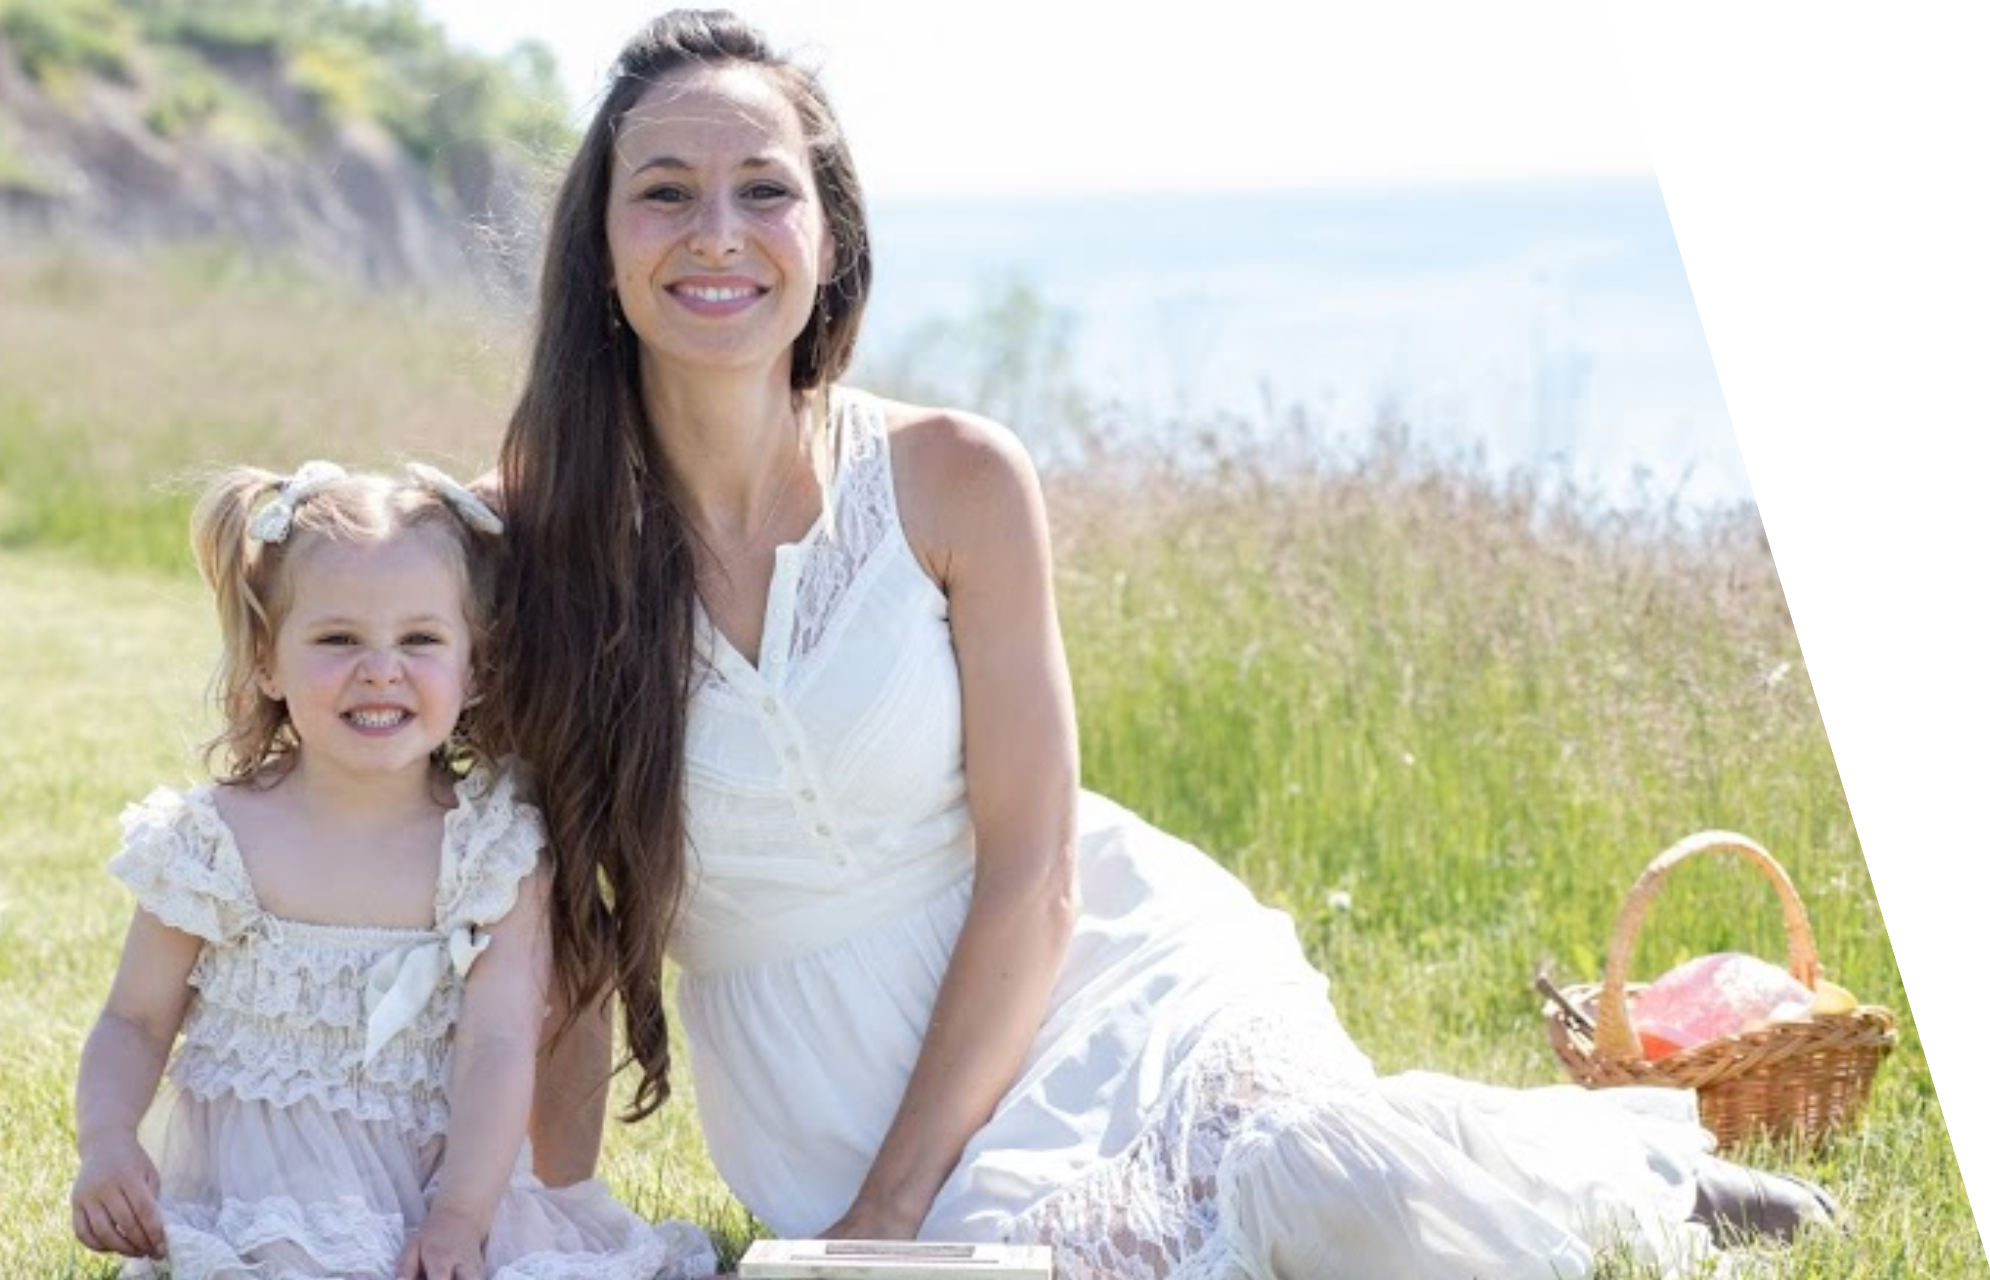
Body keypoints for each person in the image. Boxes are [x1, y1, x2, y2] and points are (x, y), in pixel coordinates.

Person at [487, 10, 1843, 1277]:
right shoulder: (538, 543)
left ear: (829, 238)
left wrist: (894, 1213)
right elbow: (553, 930)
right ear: (604, 252)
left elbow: (1036, 866)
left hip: (1096, 980)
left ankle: (1620, 1180)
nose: (718, 231)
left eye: (764, 189)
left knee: (1318, 1175)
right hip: (819, 1097)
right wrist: (541, 1221)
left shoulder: (956, 479)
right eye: (664, 190)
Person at [70, 461, 718, 1280]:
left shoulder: (490, 850)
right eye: (338, 639)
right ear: (267, 661)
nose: (381, 669)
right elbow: (132, 1021)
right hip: (264, 1202)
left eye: (420, 640)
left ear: (474, 668)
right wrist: (107, 1142)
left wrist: (460, 1219)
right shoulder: (214, 842)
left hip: (438, 1198)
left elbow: (497, 1047)